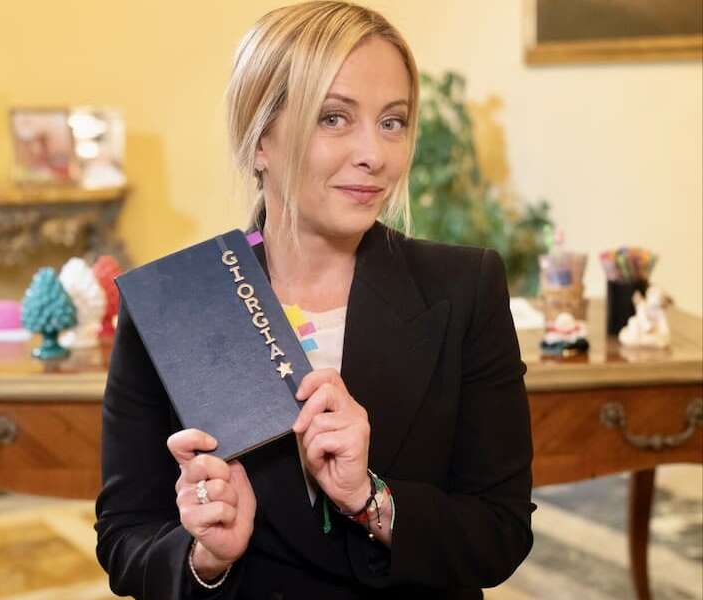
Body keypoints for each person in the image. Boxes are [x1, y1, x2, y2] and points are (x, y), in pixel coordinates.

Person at [95, 2, 535, 599]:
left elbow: (501, 532)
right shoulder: (176, 304)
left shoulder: (466, 288)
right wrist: (207, 555)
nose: (375, 154)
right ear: (260, 139)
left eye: (393, 122)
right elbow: (125, 541)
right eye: (334, 118)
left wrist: (371, 501)